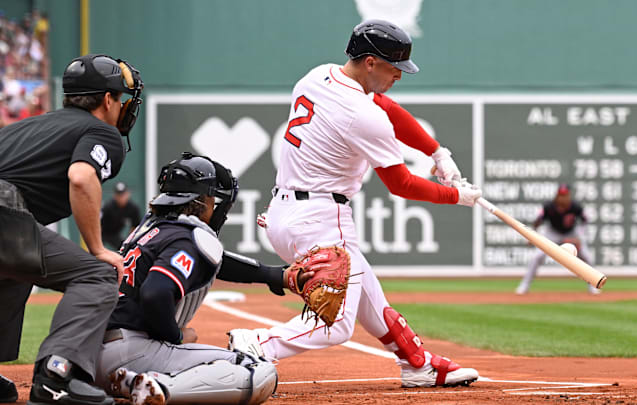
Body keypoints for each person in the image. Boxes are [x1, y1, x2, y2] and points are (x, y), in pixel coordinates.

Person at [228, 19, 483, 388]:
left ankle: (417, 363)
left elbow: (388, 108)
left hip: (286, 214)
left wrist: (437, 151)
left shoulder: (319, 76)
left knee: (366, 291)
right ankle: (259, 346)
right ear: (369, 62)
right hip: (322, 219)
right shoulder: (362, 116)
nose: (399, 75)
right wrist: (456, 195)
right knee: (336, 324)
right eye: (394, 67)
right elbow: (401, 184)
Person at [97, 152, 309, 405]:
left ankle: (129, 382)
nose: (216, 206)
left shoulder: (151, 229)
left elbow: (214, 258)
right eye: (213, 198)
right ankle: (157, 387)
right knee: (259, 371)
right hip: (132, 351)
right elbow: (156, 293)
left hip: (92, 354)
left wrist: (276, 276)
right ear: (202, 201)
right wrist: (174, 336)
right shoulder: (187, 236)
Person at [0, 53, 143, 405]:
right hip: (5, 213)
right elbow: (81, 178)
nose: (123, 107)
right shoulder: (101, 131)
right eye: (121, 99)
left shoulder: (27, 127)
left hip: (10, 220)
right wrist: (97, 248)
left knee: (15, 272)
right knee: (97, 275)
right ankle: (56, 376)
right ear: (107, 100)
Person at [515, 184, 600, 295]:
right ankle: (524, 285)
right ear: (557, 196)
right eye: (560, 195)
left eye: (565, 195)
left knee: (587, 257)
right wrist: (532, 236)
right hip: (552, 233)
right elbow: (538, 221)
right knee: (537, 257)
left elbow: (584, 221)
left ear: (569, 196)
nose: (562, 198)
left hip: (571, 233)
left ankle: (593, 285)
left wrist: (579, 237)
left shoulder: (575, 207)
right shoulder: (549, 206)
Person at [101, 181, 141, 250]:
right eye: (119, 195)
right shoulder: (108, 207)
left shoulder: (132, 208)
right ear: (115, 196)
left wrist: (129, 241)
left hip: (115, 234)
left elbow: (135, 227)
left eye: (123, 194)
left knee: (125, 249)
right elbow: (98, 224)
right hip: (102, 233)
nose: (121, 197)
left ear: (128, 194)